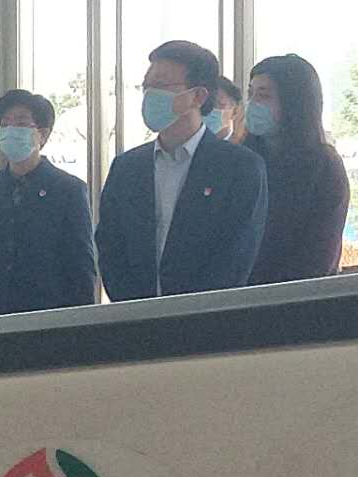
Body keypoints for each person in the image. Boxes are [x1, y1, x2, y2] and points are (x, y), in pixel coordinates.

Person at [96, 40, 268, 301]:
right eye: (146, 86)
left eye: (161, 85)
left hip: (208, 316)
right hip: (135, 317)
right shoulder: (126, 168)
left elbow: (236, 256)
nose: (150, 94)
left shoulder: (240, 168)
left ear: (198, 96)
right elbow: (110, 248)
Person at [0, 89, 96, 318]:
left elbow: (81, 267)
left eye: (20, 123)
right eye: (5, 124)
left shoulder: (68, 190)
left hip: (45, 317)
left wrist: (80, 324)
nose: (11, 130)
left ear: (43, 134)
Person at [243, 54, 351, 283]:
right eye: (250, 94)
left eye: (264, 95)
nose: (252, 104)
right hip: (235, 294)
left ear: (294, 102)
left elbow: (319, 256)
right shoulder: (241, 161)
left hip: (297, 295)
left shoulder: (325, 167)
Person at [206, 74, 246, 143]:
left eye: (220, 104)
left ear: (235, 111)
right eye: (207, 104)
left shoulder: (240, 146)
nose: (211, 109)